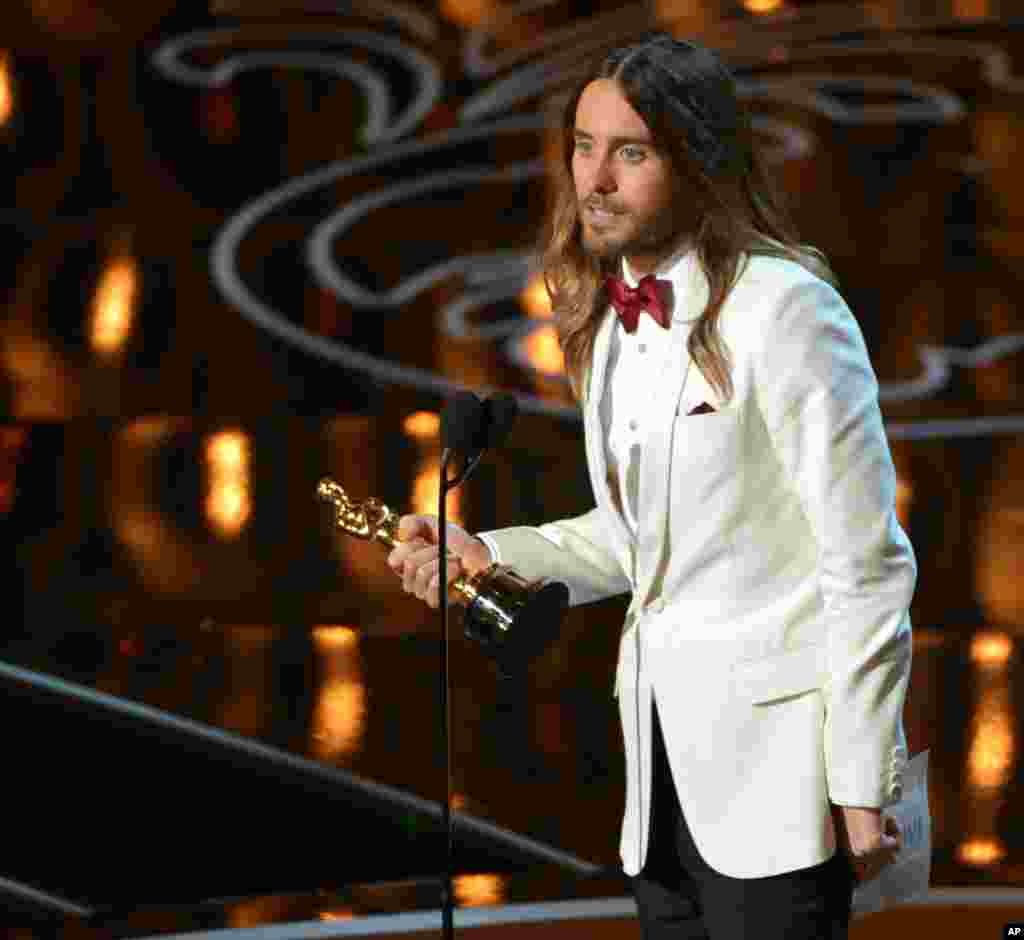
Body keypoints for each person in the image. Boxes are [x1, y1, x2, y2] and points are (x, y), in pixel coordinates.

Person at [387, 32, 914, 940]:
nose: (596, 180)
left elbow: (865, 563)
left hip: (784, 794)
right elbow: (638, 540)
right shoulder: (606, 315)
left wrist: (860, 784)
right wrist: (492, 552)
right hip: (658, 791)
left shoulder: (784, 310)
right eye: (584, 148)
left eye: (630, 152)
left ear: (698, 160)